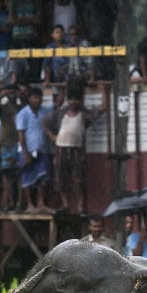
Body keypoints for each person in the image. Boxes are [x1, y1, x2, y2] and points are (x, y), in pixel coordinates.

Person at [43, 84, 109, 214]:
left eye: (76, 99)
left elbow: (103, 108)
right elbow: (44, 122)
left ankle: (81, 205)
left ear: (80, 100)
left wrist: (103, 90)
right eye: (71, 99)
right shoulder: (60, 112)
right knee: (60, 179)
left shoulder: (84, 113)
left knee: (77, 179)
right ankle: (65, 204)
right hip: (61, 149)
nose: (73, 102)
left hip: (77, 151)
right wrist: (52, 136)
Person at [16, 86, 54, 213]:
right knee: (27, 176)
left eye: (40, 98)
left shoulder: (44, 111)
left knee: (43, 175)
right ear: (29, 98)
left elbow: (57, 105)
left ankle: (41, 203)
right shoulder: (23, 114)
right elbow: (21, 135)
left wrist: (58, 91)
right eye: (35, 98)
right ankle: (29, 205)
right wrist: (25, 153)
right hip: (28, 150)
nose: (38, 100)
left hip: (41, 150)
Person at [0, 85, 22, 211]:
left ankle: (20, 202)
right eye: (9, 93)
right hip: (6, 143)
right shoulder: (2, 107)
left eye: (13, 92)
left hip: (20, 143)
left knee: (20, 173)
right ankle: (11, 201)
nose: (11, 95)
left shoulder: (21, 106)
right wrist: (1, 95)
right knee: (7, 174)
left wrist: (20, 94)